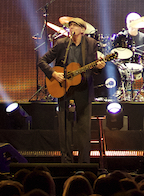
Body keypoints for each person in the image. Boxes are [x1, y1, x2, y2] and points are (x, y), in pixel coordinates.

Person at [38, 18, 102, 163]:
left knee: (83, 128)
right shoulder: (62, 44)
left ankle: (84, 163)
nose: (71, 28)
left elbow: (93, 69)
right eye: (70, 25)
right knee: (64, 127)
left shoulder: (91, 43)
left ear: (83, 30)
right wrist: (54, 74)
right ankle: (66, 162)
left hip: (84, 88)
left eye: (75, 25)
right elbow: (42, 61)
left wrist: (99, 67)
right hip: (64, 88)